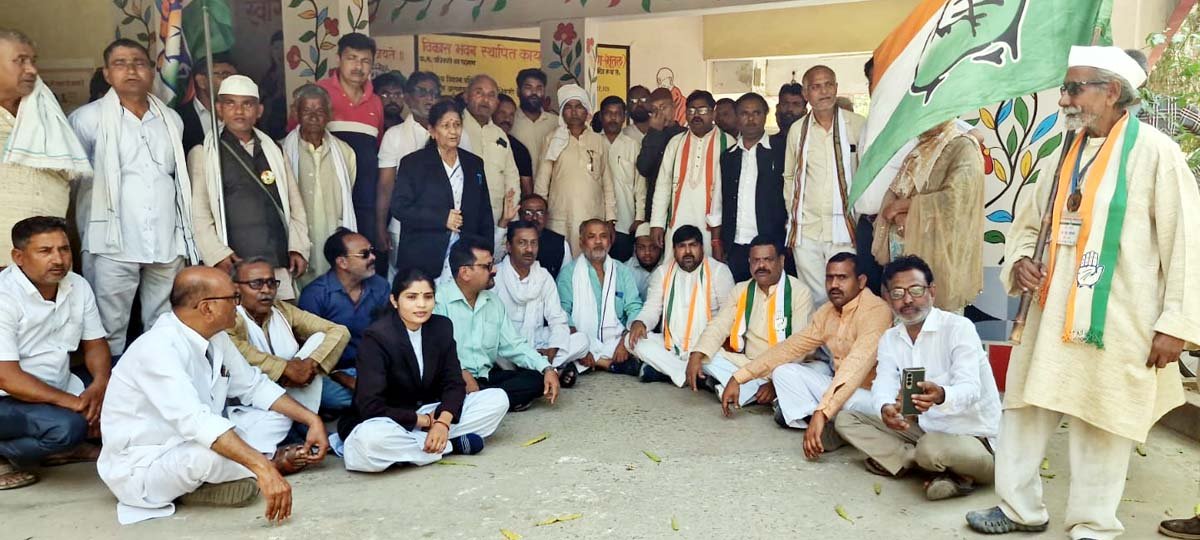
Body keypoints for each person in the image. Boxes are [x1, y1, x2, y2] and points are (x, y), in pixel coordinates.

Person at [967, 46, 1200, 540]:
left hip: (1119, 317)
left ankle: (1093, 525)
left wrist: (1175, 325)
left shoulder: (1156, 153)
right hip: (1049, 312)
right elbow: (1028, 224)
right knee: (1025, 408)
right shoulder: (1063, 154)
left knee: (1102, 418)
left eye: (1075, 88)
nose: (1064, 99)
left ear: (1111, 91)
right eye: (1065, 88)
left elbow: (1186, 244)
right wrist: (1022, 261)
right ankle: (1018, 509)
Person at [98, 266, 328, 525]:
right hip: (145, 465)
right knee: (205, 455)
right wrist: (266, 469)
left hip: (192, 440)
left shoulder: (216, 337)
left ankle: (227, 476)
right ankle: (268, 465)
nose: (238, 305)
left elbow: (253, 386)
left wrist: (312, 420)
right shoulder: (157, 348)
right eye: (233, 298)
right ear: (207, 308)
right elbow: (197, 422)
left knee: (270, 420)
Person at [70, 38, 198, 356]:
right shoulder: (86, 119)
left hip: (165, 237)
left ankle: (158, 378)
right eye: (120, 63)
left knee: (163, 322)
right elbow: (73, 180)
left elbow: (171, 178)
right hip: (113, 239)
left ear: (152, 71)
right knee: (108, 325)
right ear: (106, 73)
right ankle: (110, 382)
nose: (131, 70)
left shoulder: (171, 119)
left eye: (139, 63)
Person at [837, 255, 1000, 500]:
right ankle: (933, 469)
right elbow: (884, 382)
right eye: (898, 293)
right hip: (925, 431)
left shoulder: (959, 328)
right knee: (846, 419)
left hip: (975, 439)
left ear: (931, 291)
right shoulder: (891, 338)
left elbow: (971, 389)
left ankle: (912, 462)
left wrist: (942, 395)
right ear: (887, 298)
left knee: (930, 448)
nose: (907, 300)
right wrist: (886, 407)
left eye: (916, 290)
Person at [720, 253, 891, 457]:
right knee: (783, 372)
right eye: (829, 278)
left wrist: (822, 412)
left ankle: (826, 422)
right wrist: (739, 377)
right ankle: (824, 425)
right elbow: (790, 347)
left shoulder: (876, 311)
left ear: (861, 281)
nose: (834, 285)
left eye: (842, 278)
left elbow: (854, 368)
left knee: (849, 401)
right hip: (840, 393)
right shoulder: (828, 311)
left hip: (872, 398)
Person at [338, 268, 508, 471]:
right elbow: (371, 406)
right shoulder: (376, 337)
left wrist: (442, 422)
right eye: (411, 297)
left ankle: (418, 447)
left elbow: (454, 383)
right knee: (369, 441)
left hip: (430, 411)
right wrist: (424, 421)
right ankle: (451, 446)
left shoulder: (441, 327)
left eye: (428, 297)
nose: (421, 304)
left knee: (497, 399)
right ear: (394, 300)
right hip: (388, 421)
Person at [0, 217, 111, 490]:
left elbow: (95, 344)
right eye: (45, 251)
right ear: (18, 257)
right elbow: (7, 377)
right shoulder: (4, 297)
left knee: (131, 381)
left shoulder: (77, 285)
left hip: (58, 385)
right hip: (7, 398)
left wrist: (99, 386)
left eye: (64, 249)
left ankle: (61, 443)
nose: (59, 259)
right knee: (69, 428)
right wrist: (74, 404)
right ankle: (8, 454)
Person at [188, 75, 310, 301]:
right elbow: (199, 213)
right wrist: (216, 254)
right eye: (230, 103)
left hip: (276, 257)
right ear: (219, 109)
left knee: (284, 316)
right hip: (233, 262)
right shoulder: (204, 153)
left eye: (247, 104)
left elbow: (296, 205)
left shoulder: (275, 150)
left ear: (259, 110)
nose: (239, 111)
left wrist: (298, 248)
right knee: (236, 317)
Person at [870, 120, 984, 313]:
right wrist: (899, 216)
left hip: (939, 254)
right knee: (905, 319)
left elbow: (958, 199)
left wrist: (904, 207)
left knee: (938, 321)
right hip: (904, 251)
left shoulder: (963, 147)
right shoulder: (923, 146)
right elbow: (899, 192)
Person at [434, 237, 561, 411]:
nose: (494, 270)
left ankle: (480, 401)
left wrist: (547, 368)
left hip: (485, 378)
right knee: (441, 388)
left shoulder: (493, 302)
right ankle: (491, 402)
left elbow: (515, 345)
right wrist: (460, 373)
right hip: (451, 379)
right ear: (465, 273)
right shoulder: (438, 301)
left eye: (492, 264)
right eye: (487, 266)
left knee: (536, 379)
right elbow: (435, 352)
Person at [0, 29, 90, 268]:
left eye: (33, 61)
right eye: (20, 61)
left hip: (47, 260)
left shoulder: (47, 114)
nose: (31, 69)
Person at [686, 235, 811, 405]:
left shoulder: (800, 293)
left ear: (781, 261)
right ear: (749, 262)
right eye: (756, 260)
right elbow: (719, 325)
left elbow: (799, 348)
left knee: (795, 373)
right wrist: (696, 355)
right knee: (706, 356)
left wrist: (774, 382)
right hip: (748, 363)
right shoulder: (741, 290)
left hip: (782, 366)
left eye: (767, 260)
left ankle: (742, 390)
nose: (761, 266)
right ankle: (751, 391)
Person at [783, 66, 867, 305]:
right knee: (815, 299)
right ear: (805, 93)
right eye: (816, 87)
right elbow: (789, 176)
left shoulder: (857, 125)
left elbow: (867, 174)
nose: (824, 92)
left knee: (847, 296)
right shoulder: (798, 130)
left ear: (836, 88)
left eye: (829, 84)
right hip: (807, 230)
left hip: (845, 229)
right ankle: (819, 333)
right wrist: (794, 213)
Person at [226, 258, 350, 416]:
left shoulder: (281, 309)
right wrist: (285, 369)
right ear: (236, 288)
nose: (266, 290)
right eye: (256, 284)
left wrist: (309, 364)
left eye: (271, 283)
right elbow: (238, 351)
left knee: (350, 399)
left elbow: (339, 331)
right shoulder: (229, 316)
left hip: (300, 380)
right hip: (257, 394)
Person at [390, 100, 497, 281]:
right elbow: (399, 207)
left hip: (464, 258)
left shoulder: (474, 164)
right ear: (432, 131)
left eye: (457, 125)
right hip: (424, 256)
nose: (453, 131)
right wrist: (442, 218)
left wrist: (487, 254)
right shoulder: (413, 163)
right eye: (446, 126)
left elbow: (484, 212)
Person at [628, 225, 735, 385]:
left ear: (702, 247)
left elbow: (728, 317)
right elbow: (652, 308)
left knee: (721, 359)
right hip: (671, 347)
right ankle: (687, 374)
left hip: (707, 349)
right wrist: (640, 322)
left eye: (693, 245)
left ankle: (668, 370)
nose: (688, 252)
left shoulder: (719, 271)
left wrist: (703, 350)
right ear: (674, 249)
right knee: (632, 341)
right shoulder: (663, 272)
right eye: (682, 246)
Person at [375, 71, 457, 280]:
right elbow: (385, 186)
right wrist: (380, 226)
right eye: (422, 92)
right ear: (408, 97)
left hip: (447, 226)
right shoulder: (394, 135)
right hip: (404, 226)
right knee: (404, 283)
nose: (429, 98)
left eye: (434, 93)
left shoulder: (456, 135)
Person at [297, 228, 390, 411]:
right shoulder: (315, 295)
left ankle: (370, 401)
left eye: (372, 251)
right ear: (342, 262)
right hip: (330, 372)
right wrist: (342, 377)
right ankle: (375, 402)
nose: (373, 257)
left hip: (373, 368)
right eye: (364, 254)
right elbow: (308, 350)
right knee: (325, 395)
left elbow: (390, 336)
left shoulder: (381, 286)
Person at [317, 33, 384, 275]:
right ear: (339, 59)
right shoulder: (320, 94)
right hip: (327, 197)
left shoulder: (375, 102)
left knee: (361, 261)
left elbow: (376, 149)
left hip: (364, 199)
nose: (358, 66)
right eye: (352, 58)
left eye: (365, 61)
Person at [494, 220, 590, 386]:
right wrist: (526, 353)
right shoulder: (495, 276)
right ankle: (549, 370)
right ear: (509, 246)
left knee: (582, 340)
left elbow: (557, 319)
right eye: (522, 243)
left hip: (537, 342)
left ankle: (539, 369)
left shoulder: (543, 276)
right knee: (494, 349)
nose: (529, 249)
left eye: (533, 243)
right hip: (508, 348)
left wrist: (552, 349)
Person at [281, 84, 357, 286]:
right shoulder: (281, 151)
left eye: (320, 111)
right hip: (298, 241)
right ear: (296, 113)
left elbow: (347, 194)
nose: (314, 117)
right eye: (307, 111)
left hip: (331, 236)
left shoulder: (345, 153)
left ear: (329, 114)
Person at [649, 90, 729, 263]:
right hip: (678, 221)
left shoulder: (728, 143)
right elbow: (662, 185)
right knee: (674, 267)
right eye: (691, 110)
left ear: (713, 113)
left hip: (712, 229)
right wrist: (656, 223)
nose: (696, 115)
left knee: (709, 269)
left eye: (702, 110)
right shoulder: (675, 142)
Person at [534, 84, 615, 254]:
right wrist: (539, 215)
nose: (574, 112)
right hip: (561, 218)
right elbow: (542, 182)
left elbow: (607, 183)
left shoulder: (598, 140)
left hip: (593, 216)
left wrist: (610, 219)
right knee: (562, 260)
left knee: (591, 259)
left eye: (579, 106)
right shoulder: (552, 139)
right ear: (562, 112)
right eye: (568, 107)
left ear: (586, 111)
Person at [557, 219, 644, 374]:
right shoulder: (568, 273)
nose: (598, 242)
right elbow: (562, 313)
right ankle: (605, 363)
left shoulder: (622, 271)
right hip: (582, 339)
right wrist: (582, 347)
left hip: (616, 341)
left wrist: (625, 341)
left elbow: (634, 307)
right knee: (563, 341)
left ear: (610, 241)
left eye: (603, 236)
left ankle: (585, 362)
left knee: (647, 340)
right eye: (591, 237)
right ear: (581, 242)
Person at [720, 92, 788, 282]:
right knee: (740, 295)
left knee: (772, 294)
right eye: (744, 113)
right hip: (736, 244)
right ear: (736, 117)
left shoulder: (781, 150)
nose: (751, 119)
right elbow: (721, 200)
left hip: (771, 244)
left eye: (756, 113)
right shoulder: (728, 156)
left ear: (766, 115)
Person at [460, 74, 520, 222]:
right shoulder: (455, 127)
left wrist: (509, 217)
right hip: (461, 216)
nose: (485, 100)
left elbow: (511, 177)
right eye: (479, 93)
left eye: (491, 95)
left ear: (497, 102)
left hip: (496, 217)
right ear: (466, 96)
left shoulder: (500, 134)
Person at [599, 95, 645, 263]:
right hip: (596, 219)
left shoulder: (633, 145)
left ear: (624, 117)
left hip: (625, 222)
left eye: (617, 113)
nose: (613, 118)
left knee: (622, 267)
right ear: (600, 116)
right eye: (608, 113)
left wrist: (639, 217)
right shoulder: (593, 143)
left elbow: (640, 185)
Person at [636, 87, 686, 222]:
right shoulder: (650, 135)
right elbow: (644, 168)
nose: (660, 114)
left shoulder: (685, 134)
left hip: (681, 204)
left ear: (674, 107)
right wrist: (655, 132)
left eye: (663, 108)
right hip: (655, 206)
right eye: (654, 110)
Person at [179, 52, 238, 153]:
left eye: (234, 78)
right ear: (201, 81)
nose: (232, 82)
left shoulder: (244, 115)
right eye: (224, 75)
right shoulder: (179, 117)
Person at [511, 68, 558, 178]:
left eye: (539, 88)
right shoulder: (510, 122)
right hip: (518, 186)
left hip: (550, 187)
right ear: (518, 91)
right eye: (528, 88)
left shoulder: (556, 123)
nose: (534, 93)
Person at [517, 193, 572, 279]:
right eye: (528, 213)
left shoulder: (560, 244)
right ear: (520, 215)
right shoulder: (511, 239)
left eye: (540, 213)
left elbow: (565, 279)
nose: (534, 218)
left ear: (547, 216)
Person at [494, 93, 534, 194]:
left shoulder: (520, 150)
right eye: (502, 113)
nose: (507, 119)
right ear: (492, 112)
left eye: (511, 115)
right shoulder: (479, 141)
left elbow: (527, 190)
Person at [624, 223, 662, 298]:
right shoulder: (625, 270)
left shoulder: (667, 268)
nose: (647, 253)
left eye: (653, 247)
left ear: (661, 247)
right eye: (641, 247)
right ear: (635, 248)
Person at [773, 82, 807, 148]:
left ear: (804, 111)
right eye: (785, 104)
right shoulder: (765, 146)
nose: (790, 109)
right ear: (777, 108)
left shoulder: (812, 144)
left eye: (796, 104)